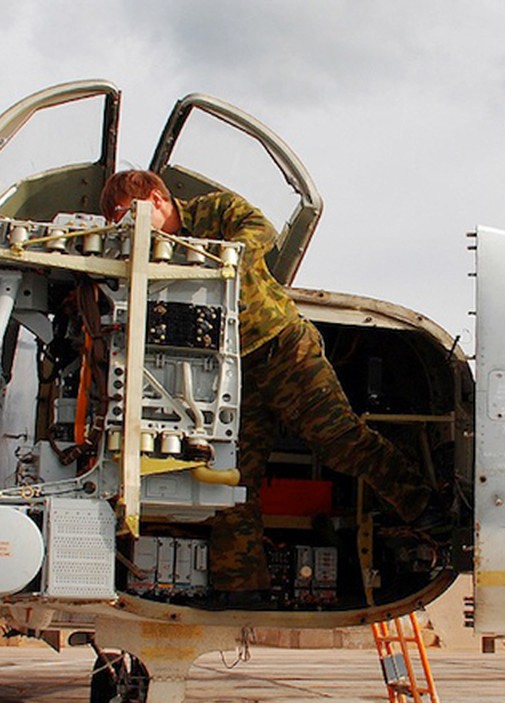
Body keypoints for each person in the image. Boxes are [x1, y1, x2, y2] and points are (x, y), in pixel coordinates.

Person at [99, 170, 438, 605]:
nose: (125, 227)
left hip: (282, 348)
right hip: (229, 376)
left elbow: (262, 230)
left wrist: (218, 255)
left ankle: (423, 505)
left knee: (339, 440)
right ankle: (241, 588)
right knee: (231, 479)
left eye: (126, 214)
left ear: (153, 199)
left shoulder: (213, 211)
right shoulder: (145, 256)